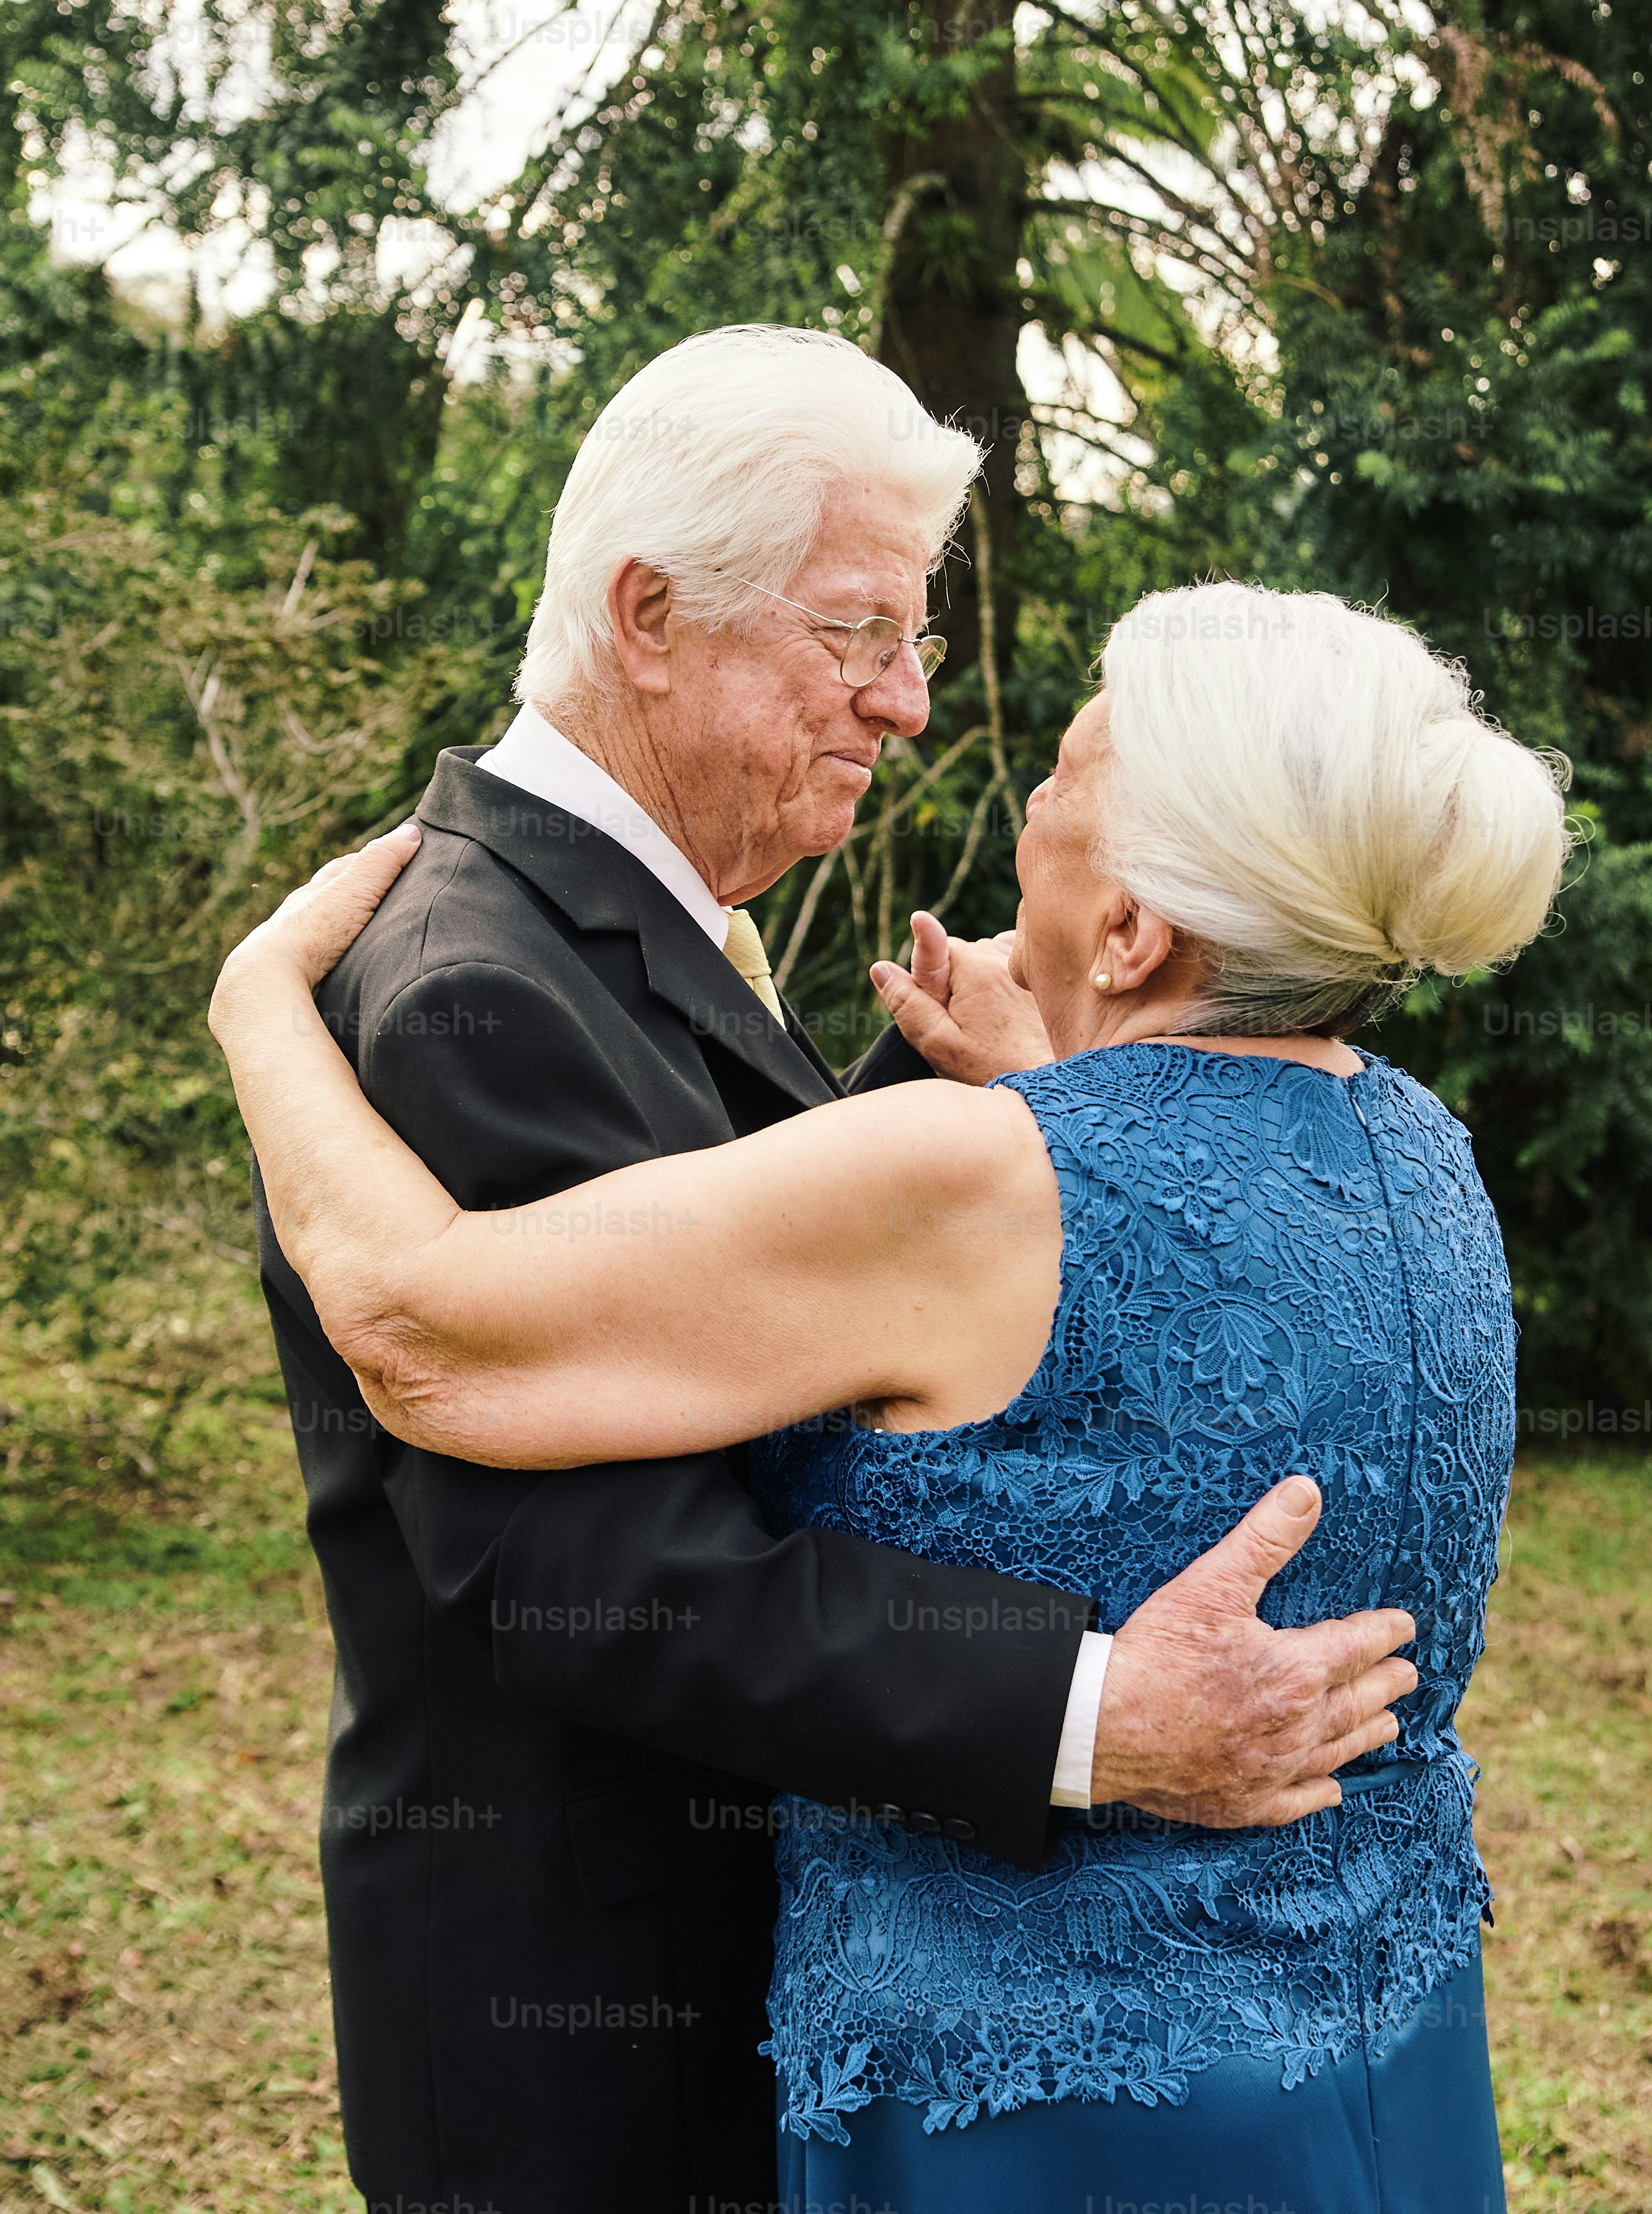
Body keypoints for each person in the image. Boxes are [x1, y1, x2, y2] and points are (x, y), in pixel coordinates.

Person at [213, 571, 1568, 2213]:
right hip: (1381, 2064)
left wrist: (264, 1008)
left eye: (1064, 777)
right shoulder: (1424, 1156)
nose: (1009, 787)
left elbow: (417, 1326)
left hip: (1053, 2113)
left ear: (1134, 927)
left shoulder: (974, 1178)